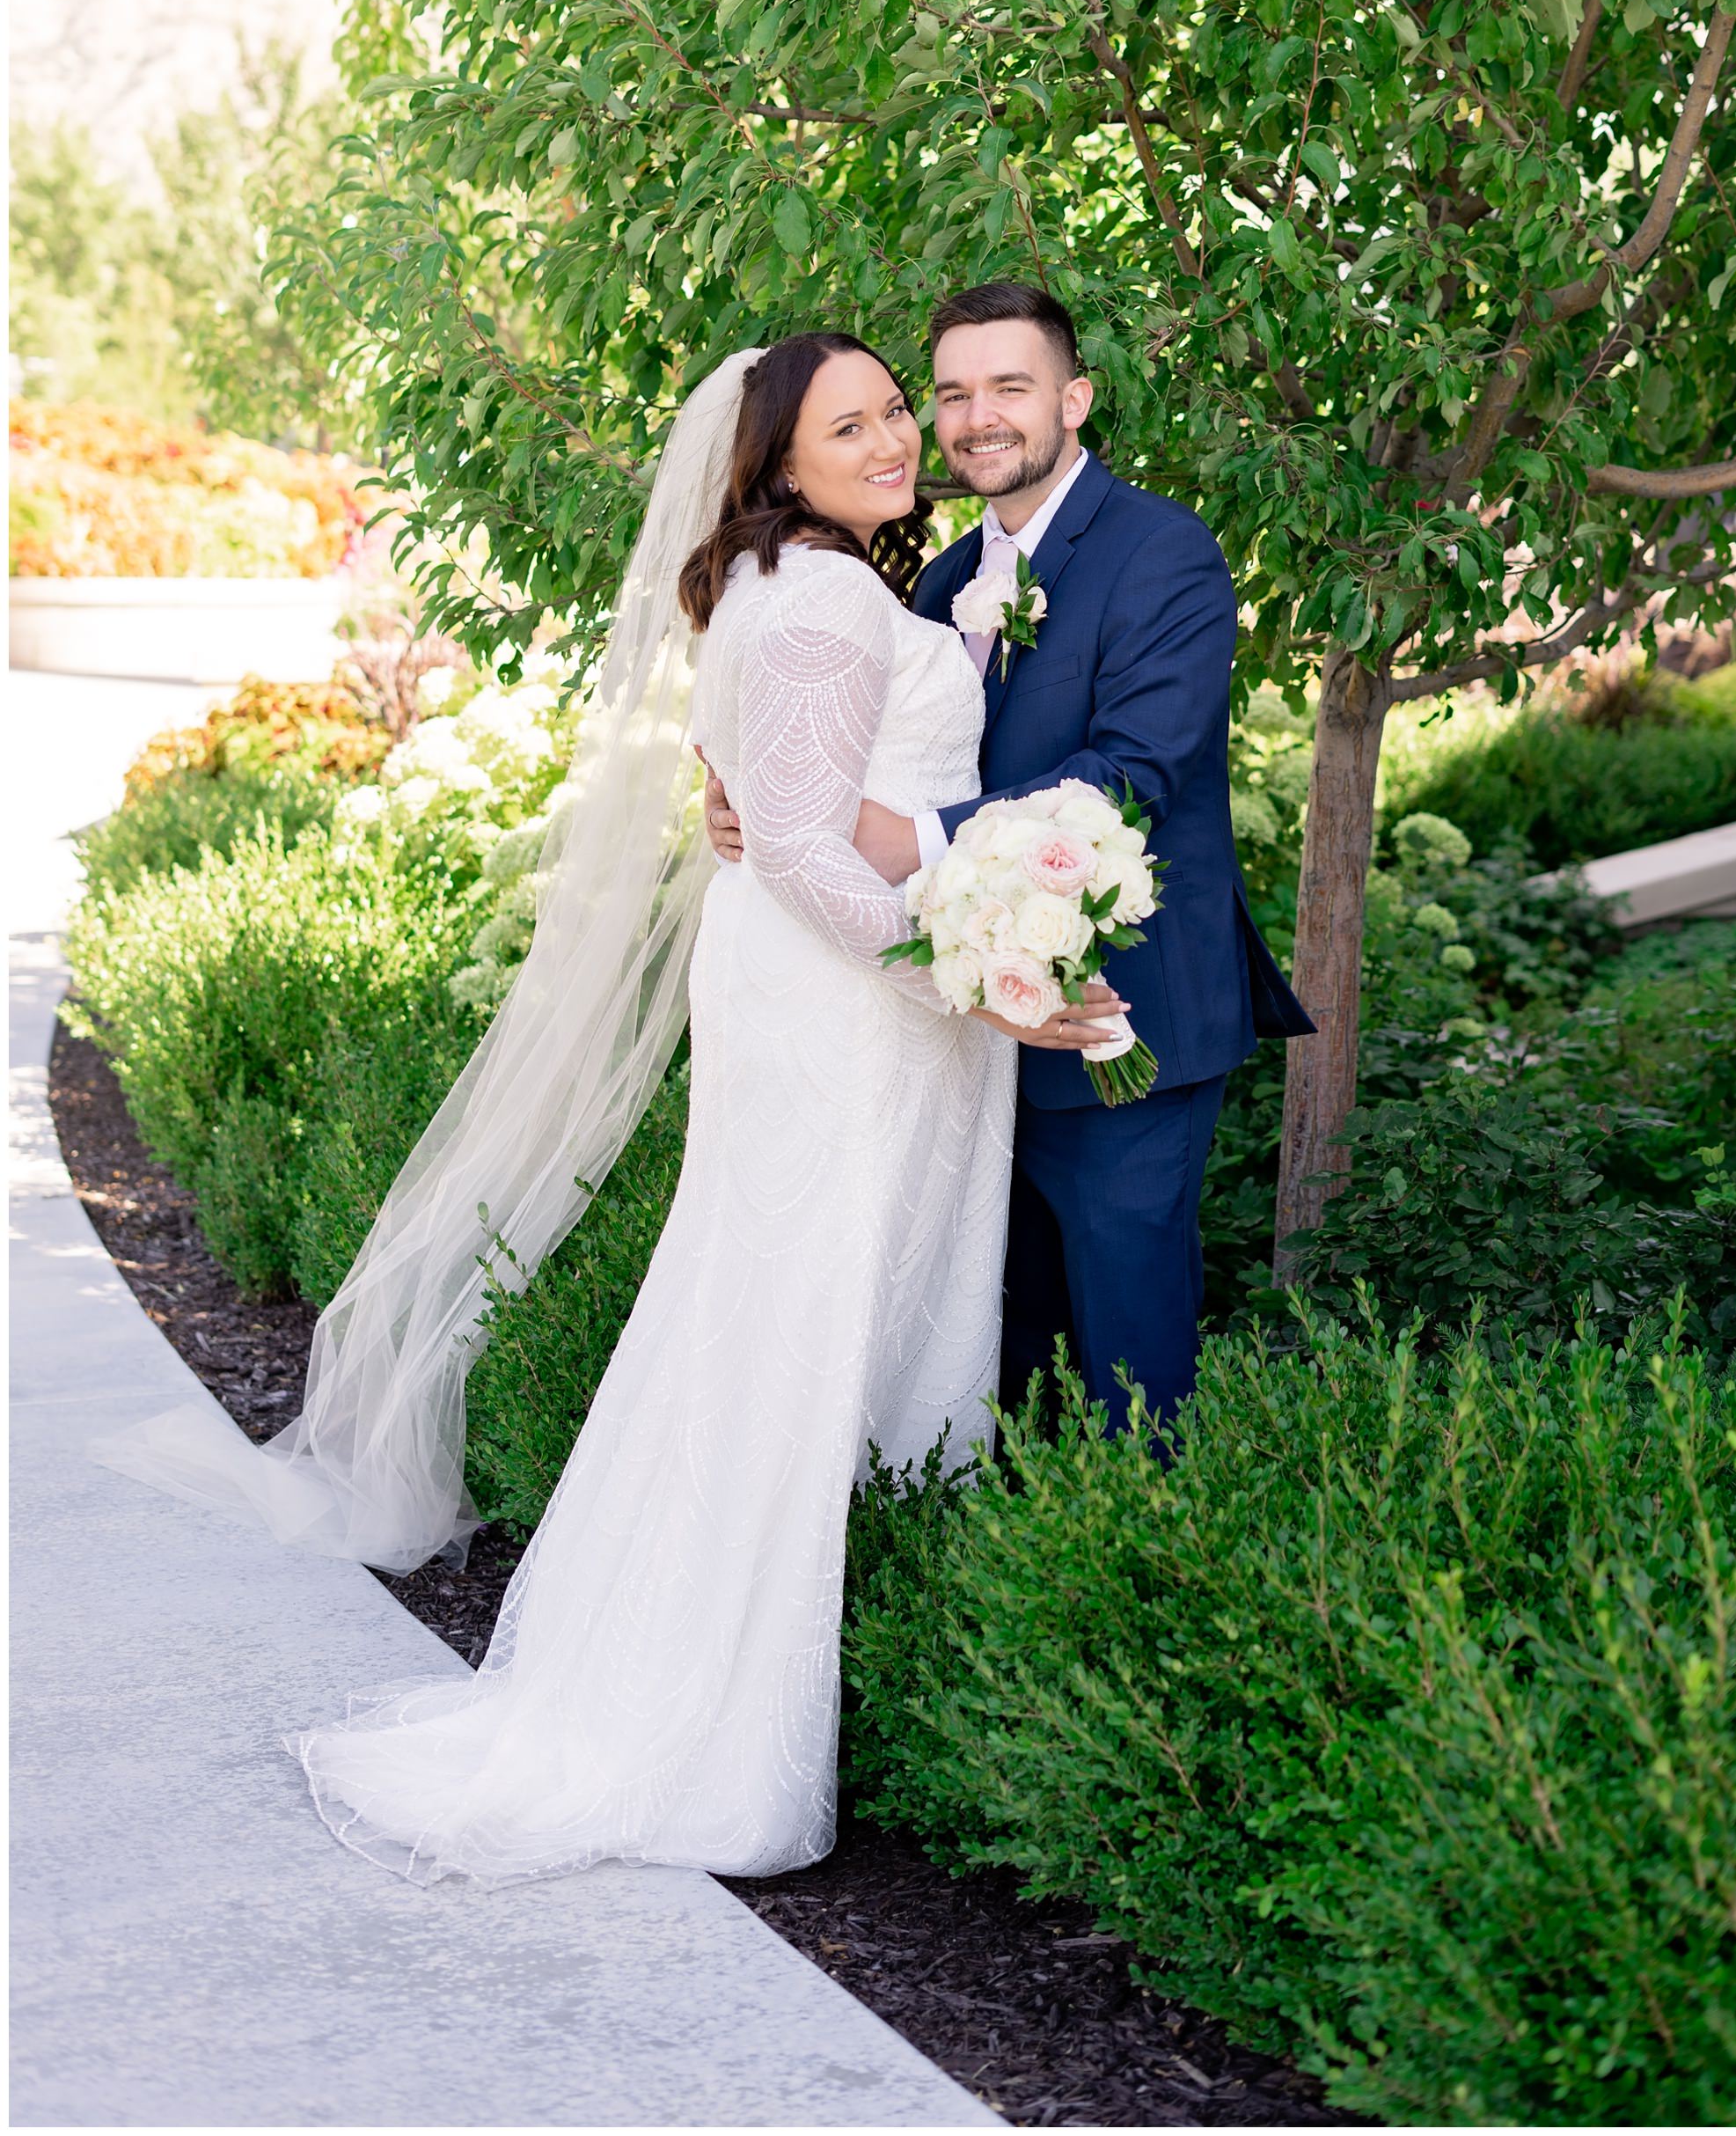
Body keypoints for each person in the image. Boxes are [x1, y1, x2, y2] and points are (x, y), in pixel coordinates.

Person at [96, 334, 1117, 1886]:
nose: (897, 438)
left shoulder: (779, 584)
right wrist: (976, 973)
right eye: (853, 425)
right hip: (852, 1004)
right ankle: (717, 1727)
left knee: (757, 1321)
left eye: (894, 410)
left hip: (814, 990)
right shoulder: (833, 596)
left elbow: (781, 811)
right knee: (801, 1336)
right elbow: (808, 850)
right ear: (778, 462)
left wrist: (883, 886)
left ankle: (721, 1661)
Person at [707, 283, 1313, 1430]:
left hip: (1115, 1014)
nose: (976, 416)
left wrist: (920, 839)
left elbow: (1136, 770)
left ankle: (1155, 1585)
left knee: (1130, 1363)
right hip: (969, 1027)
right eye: (951, 393)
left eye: (1010, 387)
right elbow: (854, 732)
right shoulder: (938, 579)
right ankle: (1029, 1592)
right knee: (1002, 1352)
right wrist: (743, 790)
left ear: (1075, 399)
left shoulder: (1162, 551)